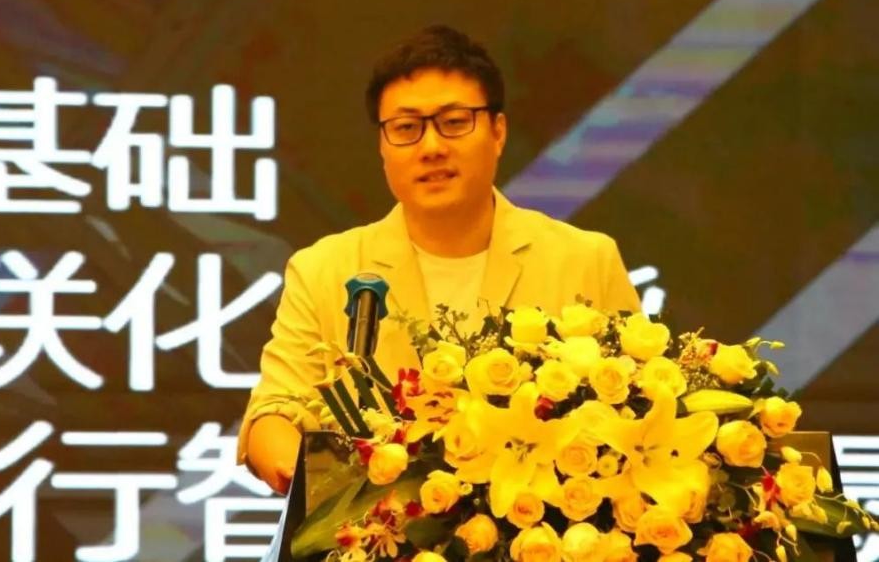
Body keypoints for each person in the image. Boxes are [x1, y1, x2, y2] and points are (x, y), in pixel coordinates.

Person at [238, 25, 641, 494]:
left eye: (454, 122)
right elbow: (275, 412)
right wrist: (305, 477)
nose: (431, 147)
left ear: (498, 132)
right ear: (383, 146)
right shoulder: (325, 269)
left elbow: (638, 404)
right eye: (406, 128)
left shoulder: (585, 258)